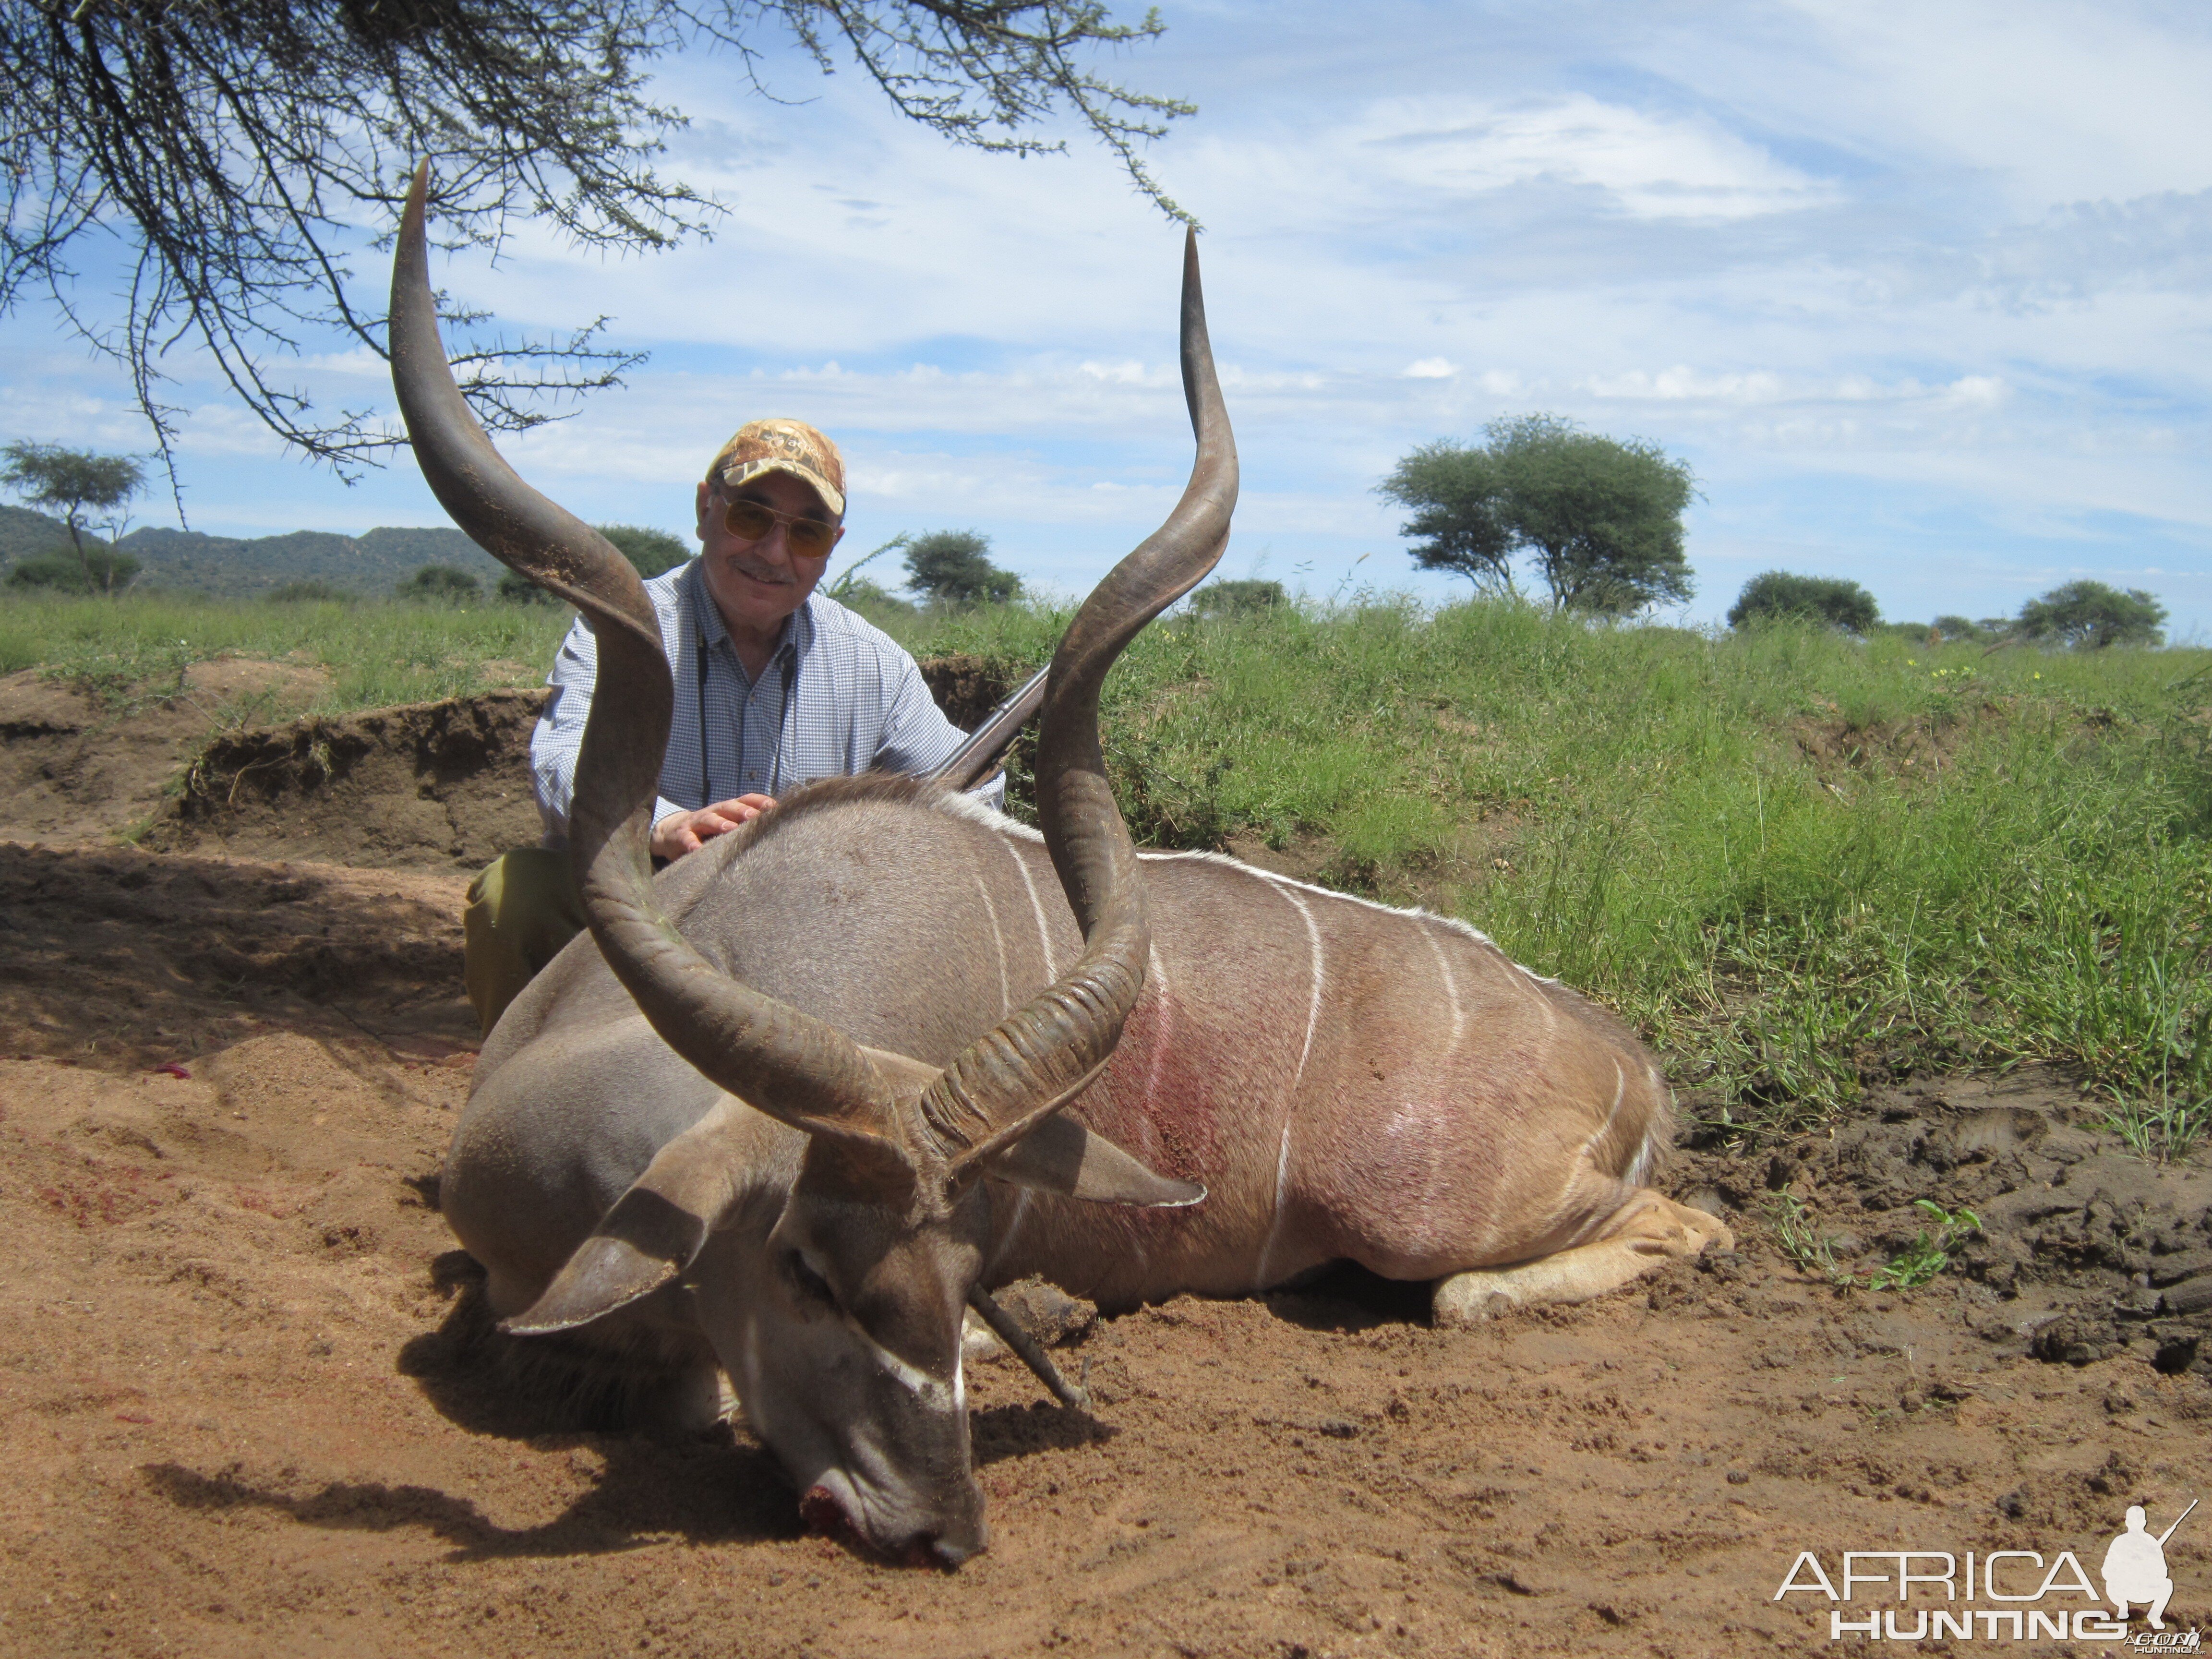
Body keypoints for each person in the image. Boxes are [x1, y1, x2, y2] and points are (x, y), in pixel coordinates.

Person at [462, 417, 990, 1033]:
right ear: (705, 507)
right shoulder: (625, 628)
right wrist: (663, 825)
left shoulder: (874, 663)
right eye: (751, 518)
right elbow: (561, 763)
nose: (772, 553)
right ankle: (528, 1109)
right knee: (513, 898)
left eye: (808, 534)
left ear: (833, 545)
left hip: (799, 936)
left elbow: (970, 791)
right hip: (641, 908)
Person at [2102, 1504, 2177, 1629]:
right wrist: (2125, 1569)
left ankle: (2154, 1616)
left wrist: (2148, 1567)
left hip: (2144, 1590)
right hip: (2122, 1590)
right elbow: (2106, 1572)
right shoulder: (2119, 1542)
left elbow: (2163, 1572)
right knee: (2111, 1583)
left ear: (2144, 1522)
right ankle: (2122, 1607)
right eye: (2133, 1521)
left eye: (2138, 1521)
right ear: (2127, 1522)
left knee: (2167, 1584)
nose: (2135, 1524)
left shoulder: (2152, 1543)